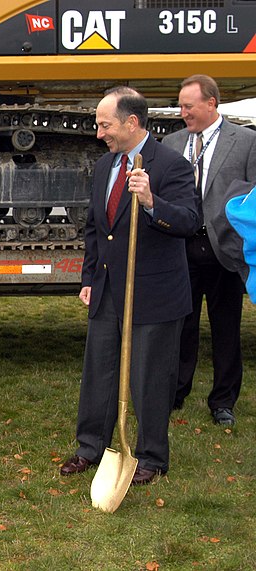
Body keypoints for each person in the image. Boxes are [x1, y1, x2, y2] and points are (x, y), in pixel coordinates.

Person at [59, 87, 201, 485]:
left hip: (154, 294)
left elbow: (189, 222)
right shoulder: (106, 165)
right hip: (107, 289)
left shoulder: (170, 165)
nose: (99, 132)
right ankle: (91, 447)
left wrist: (153, 203)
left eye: (105, 124)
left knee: (149, 377)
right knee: (99, 372)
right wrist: (89, 277)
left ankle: (151, 456)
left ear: (132, 122)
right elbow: (95, 228)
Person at [162, 74, 256, 426]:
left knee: (226, 327)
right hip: (181, 248)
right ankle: (176, 391)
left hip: (224, 249)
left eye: (188, 105)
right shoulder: (172, 143)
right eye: (180, 105)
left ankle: (223, 401)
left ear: (211, 103)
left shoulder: (246, 141)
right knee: (181, 325)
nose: (182, 111)